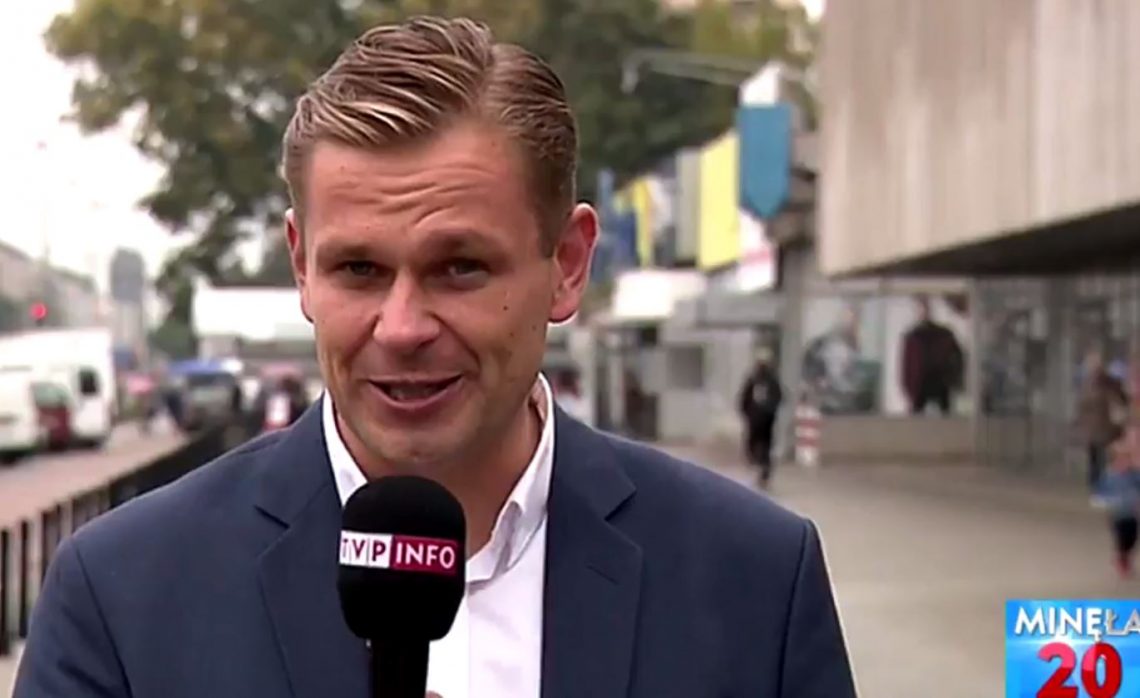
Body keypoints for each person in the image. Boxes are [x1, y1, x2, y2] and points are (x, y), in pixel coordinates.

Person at [15, 17, 856, 698]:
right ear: (301, 267)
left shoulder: (753, 578)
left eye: (459, 267)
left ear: (567, 264)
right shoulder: (122, 592)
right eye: (359, 270)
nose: (403, 326)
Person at [899, 295, 964, 416]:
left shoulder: (944, 334)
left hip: (940, 380)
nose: (924, 311)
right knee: (917, 415)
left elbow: (958, 357)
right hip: (920, 383)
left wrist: (954, 379)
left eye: (926, 307)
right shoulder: (912, 336)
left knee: (945, 415)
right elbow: (906, 364)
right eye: (921, 307)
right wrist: (907, 387)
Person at [1078, 348, 1128, 501]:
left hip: (1105, 427)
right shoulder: (1087, 382)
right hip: (1093, 427)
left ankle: (1106, 487)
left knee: (1106, 458)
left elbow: (1120, 398)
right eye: (1090, 363)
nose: (1091, 366)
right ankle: (1096, 488)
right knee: (1095, 459)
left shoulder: (1107, 381)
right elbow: (1083, 405)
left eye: (1093, 363)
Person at [738, 352, 784, 487]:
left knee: (765, 446)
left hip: (766, 419)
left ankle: (764, 472)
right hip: (755, 418)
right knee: (753, 443)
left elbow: (779, 397)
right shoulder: (753, 380)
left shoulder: (772, 380)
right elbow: (744, 398)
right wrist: (746, 412)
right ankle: (757, 463)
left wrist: (771, 411)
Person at [1100, 432, 1140, 577]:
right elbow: (1103, 491)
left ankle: (1125, 557)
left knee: (1132, 538)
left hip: (1132, 513)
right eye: (1121, 459)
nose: (1125, 463)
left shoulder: (1134, 475)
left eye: (1127, 459)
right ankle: (1122, 560)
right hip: (1117, 514)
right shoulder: (1110, 476)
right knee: (1121, 539)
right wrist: (1104, 502)